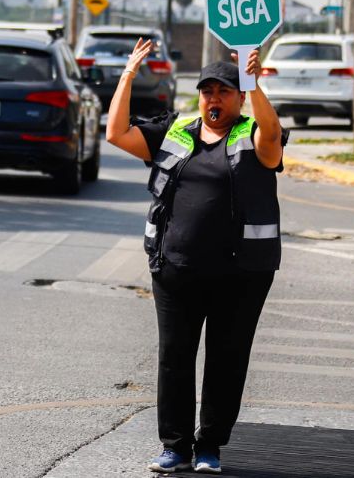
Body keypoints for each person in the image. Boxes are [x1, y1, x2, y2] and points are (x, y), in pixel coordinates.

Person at [105, 39, 288, 474]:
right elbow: (116, 133)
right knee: (174, 357)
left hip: (241, 275)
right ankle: (174, 446)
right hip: (175, 270)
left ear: (239, 98)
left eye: (224, 91)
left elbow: (273, 136)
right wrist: (128, 75)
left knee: (227, 360)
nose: (214, 98)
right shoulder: (176, 131)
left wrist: (254, 83)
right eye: (207, 91)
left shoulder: (253, 133)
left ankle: (209, 447)